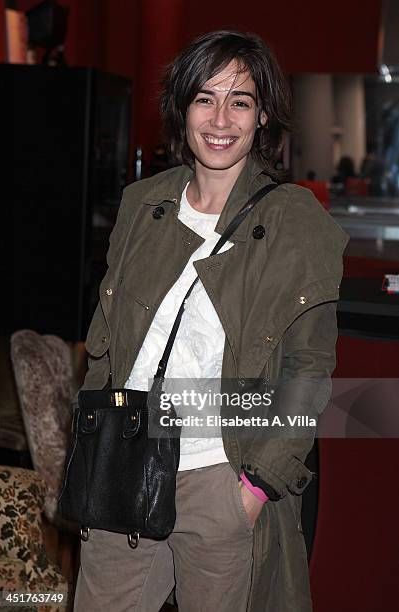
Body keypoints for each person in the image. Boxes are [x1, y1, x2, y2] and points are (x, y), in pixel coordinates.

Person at [74, 30, 349, 612]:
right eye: (205, 97)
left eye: (240, 100)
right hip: (124, 462)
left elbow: (309, 367)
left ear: (262, 115)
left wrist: (254, 488)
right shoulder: (142, 203)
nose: (221, 118)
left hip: (219, 475)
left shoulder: (296, 221)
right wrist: (96, 446)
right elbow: (105, 341)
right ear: (183, 107)